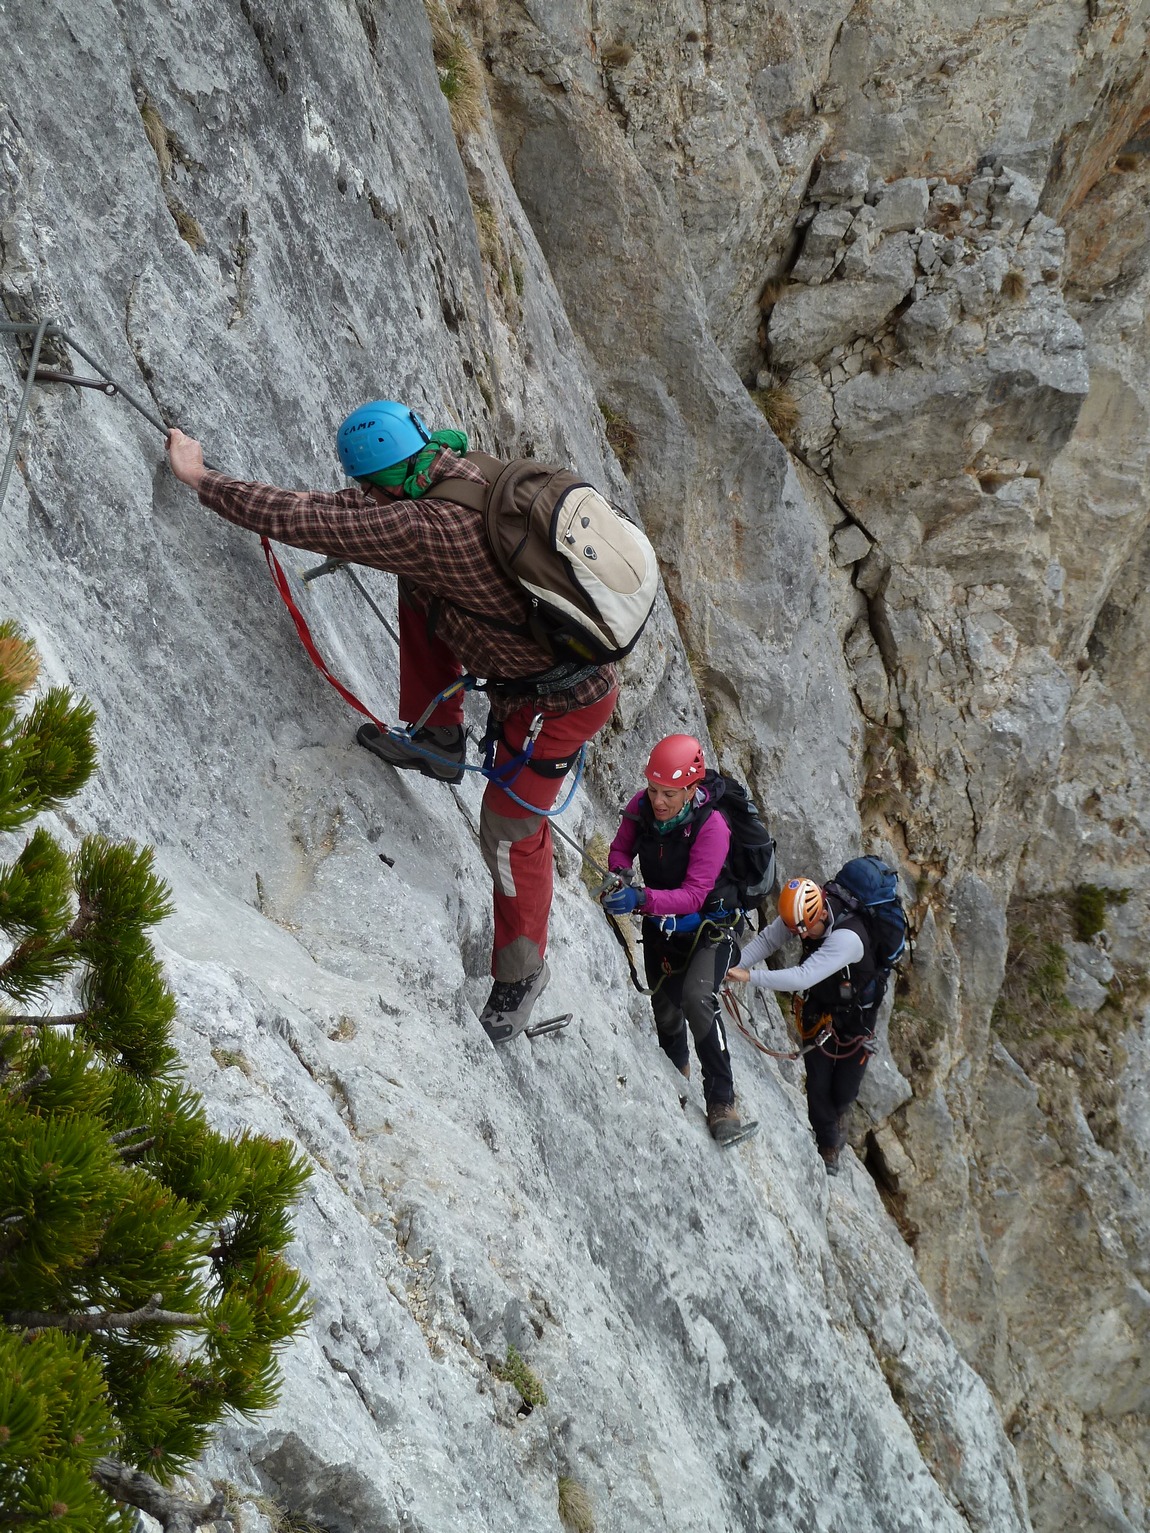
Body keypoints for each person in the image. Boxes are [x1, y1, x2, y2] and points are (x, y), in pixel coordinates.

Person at [165, 401, 619, 1042]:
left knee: (510, 829)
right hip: (548, 668)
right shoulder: (459, 466)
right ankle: (439, 736)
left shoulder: (423, 529)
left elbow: (312, 519)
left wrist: (201, 479)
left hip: (559, 705)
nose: (361, 497)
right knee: (416, 579)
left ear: (377, 481)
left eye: (364, 488)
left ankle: (522, 974)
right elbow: (363, 519)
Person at [602, 735, 747, 1145]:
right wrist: (619, 876)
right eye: (653, 789)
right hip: (661, 923)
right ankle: (676, 1071)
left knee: (697, 999)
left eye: (668, 793)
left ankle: (722, 1100)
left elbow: (695, 895)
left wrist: (640, 899)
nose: (658, 800)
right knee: (665, 1006)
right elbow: (620, 850)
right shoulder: (641, 807)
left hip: (712, 928)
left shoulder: (711, 827)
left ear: (691, 789)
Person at [727, 877, 876, 1174]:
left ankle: (840, 1115)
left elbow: (803, 976)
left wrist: (750, 977)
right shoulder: (798, 916)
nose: (801, 935)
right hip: (820, 1003)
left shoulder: (848, 938)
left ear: (823, 913)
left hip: (857, 1014)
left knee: (844, 1090)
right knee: (818, 1083)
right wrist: (733, 966)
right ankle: (828, 1145)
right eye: (796, 930)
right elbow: (768, 941)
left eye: (805, 930)